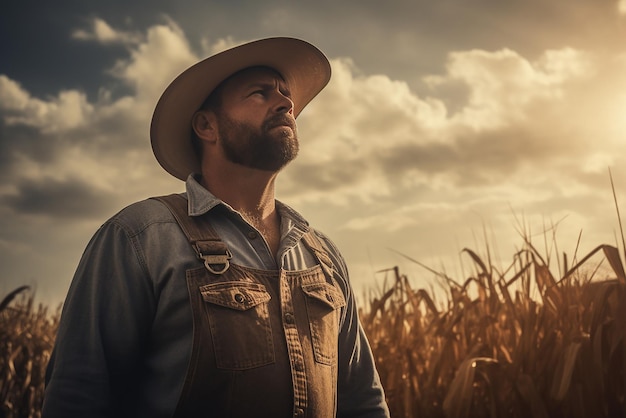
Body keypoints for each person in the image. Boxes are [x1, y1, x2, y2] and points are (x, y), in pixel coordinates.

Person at [43, 37, 390, 418]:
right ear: (207, 125)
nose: (286, 103)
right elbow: (79, 394)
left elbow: (363, 401)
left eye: (285, 94)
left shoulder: (323, 256)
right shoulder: (141, 238)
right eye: (259, 93)